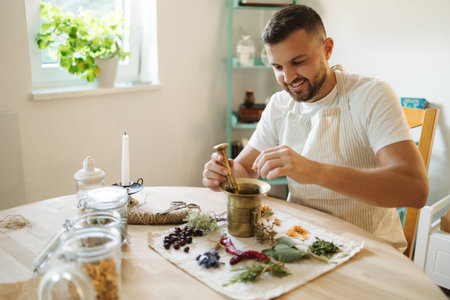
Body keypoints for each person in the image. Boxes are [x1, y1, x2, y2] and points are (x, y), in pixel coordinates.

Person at [202, 5, 428, 252]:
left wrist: (314, 171)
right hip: (303, 241)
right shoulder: (279, 105)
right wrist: (225, 175)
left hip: (371, 249)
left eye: (298, 62)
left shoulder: (371, 95)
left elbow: (415, 189)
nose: (288, 78)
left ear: (327, 49)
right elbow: (245, 168)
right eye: (277, 67)